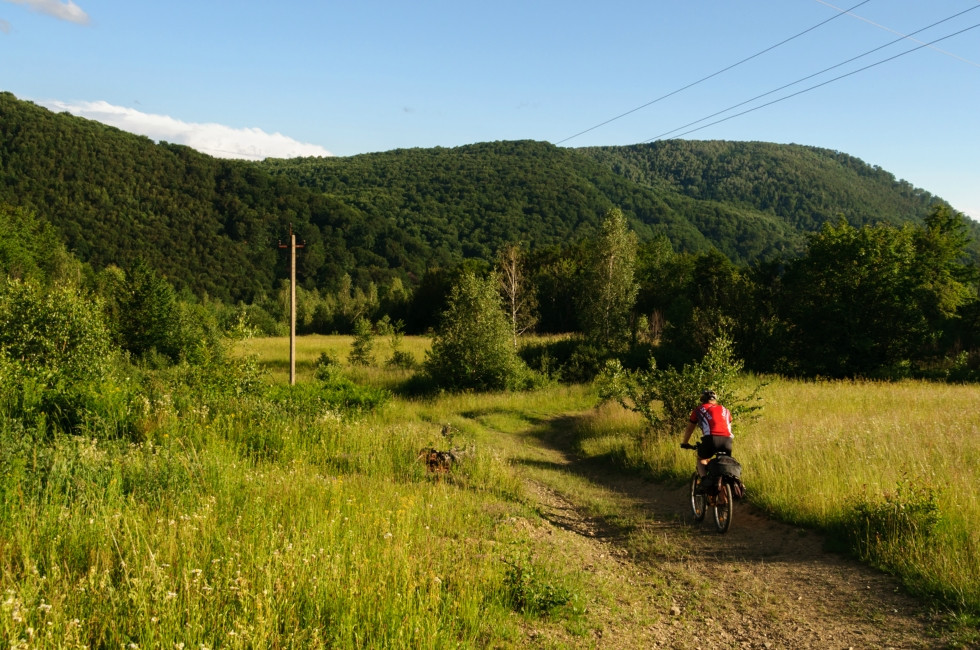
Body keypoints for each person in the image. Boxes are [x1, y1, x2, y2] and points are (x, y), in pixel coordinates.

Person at [680, 389, 733, 486]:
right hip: (728, 441)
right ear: (715, 400)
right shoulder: (725, 410)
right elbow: (728, 427)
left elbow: (689, 429)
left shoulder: (699, 410)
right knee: (724, 467)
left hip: (711, 439)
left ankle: (705, 480)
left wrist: (685, 443)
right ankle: (725, 491)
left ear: (702, 400)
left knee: (701, 458)